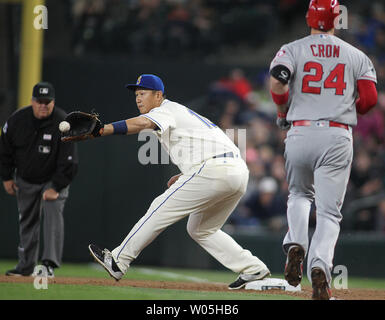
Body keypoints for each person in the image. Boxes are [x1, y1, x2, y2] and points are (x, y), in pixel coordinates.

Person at [85, 74, 270, 289]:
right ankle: (253, 269)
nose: (138, 99)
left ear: (158, 95)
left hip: (214, 170)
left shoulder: (164, 110)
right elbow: (213, 146)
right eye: (136, 94)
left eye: (143, 93)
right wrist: (187, 174)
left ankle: (119, 260)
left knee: (159, 208)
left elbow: (143, 123)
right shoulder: (181, 113)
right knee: (201, 229)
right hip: (236, 171)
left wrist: (103, 129)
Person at [269, 0, 378, 299]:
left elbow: (277, 84)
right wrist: (340, 104)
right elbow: (369, 101)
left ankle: (296, 244)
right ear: (336, 19)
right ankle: (320, 267)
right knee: (330, 213)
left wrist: (282, 112)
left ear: (308, 18)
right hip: (337, 134)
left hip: (300, 130)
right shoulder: (357, 55)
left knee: (300, 194)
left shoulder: (292, 49)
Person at [0, 82, 78, 278]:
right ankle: (25, 267)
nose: (43, 105)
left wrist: (56, 186)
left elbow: (70, 161)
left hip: (53, 179)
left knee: (52, 213)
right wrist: (7, 177)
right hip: (26, 178)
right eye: (39, 101)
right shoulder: (17, 120)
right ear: (32, 101)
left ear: (53, 102)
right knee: (27, 220)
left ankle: (48, 265)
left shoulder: (63, 122)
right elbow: (4, 151)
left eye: (47, 102)